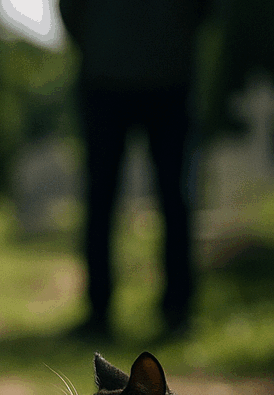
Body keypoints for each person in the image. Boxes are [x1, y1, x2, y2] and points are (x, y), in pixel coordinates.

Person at [60, 0, 212, 339]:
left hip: (116, 71)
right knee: (171, 198)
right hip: (162, 71)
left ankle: (103, 311)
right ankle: (175, 310)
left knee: (108, 198)